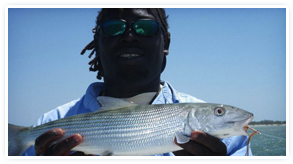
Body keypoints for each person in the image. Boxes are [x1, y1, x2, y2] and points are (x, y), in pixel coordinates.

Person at [22, 8, 252, 156]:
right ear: (97, 42)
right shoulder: (50, 125)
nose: (129, 36)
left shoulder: (231, 143)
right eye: (114, 28)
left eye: (145, 27)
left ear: (166, 43)